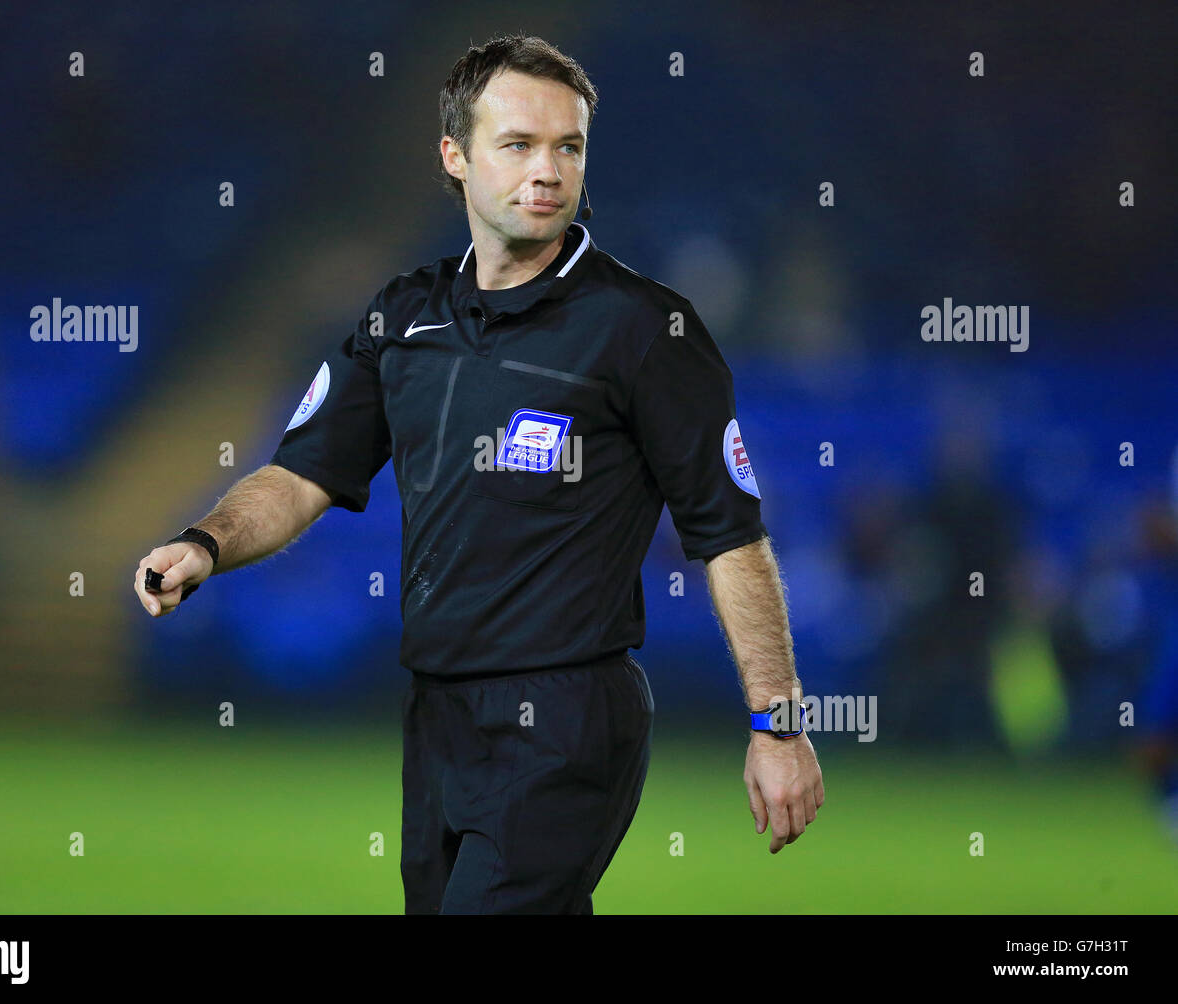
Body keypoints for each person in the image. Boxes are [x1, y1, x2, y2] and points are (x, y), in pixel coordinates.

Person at [133, 34, 823, 914]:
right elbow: (300, 475)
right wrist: (205, 543)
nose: (547, 170)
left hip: (569, 715)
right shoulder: (404, 318)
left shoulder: (646, 330)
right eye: (519, 145)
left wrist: (778, 726)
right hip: (438, 713)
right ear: (455, 157)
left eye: (567, 147)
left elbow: (730, 535)